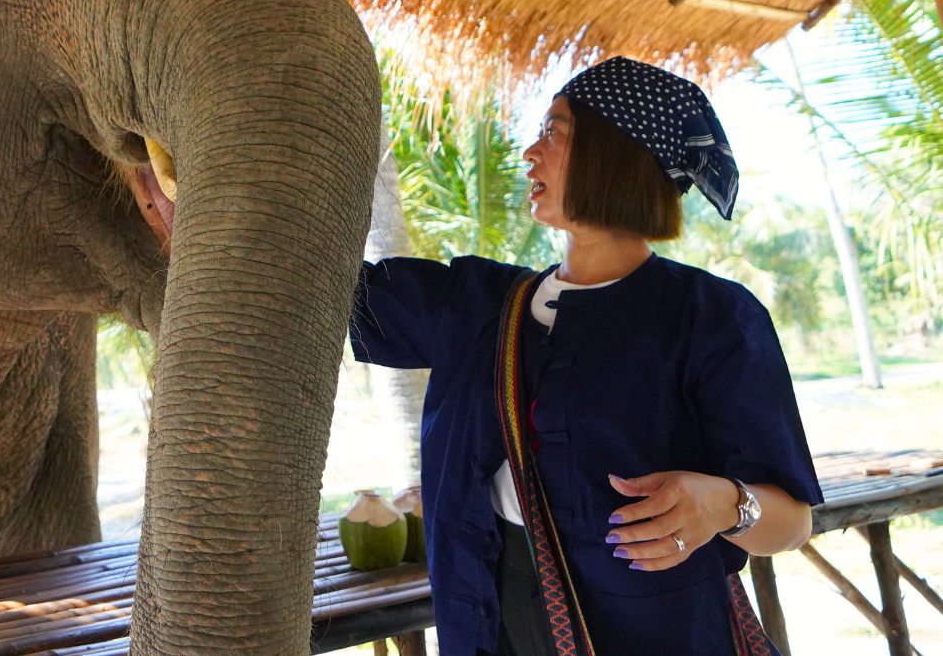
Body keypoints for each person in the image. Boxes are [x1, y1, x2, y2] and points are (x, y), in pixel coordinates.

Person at [351, 57, 821, 656]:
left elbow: (794, 523)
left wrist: (725, 504)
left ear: (614, 152)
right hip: (489, 628)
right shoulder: (475, 307)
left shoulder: (711, 316)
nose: (530, 153)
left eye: (554, 132)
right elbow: (321, 283)